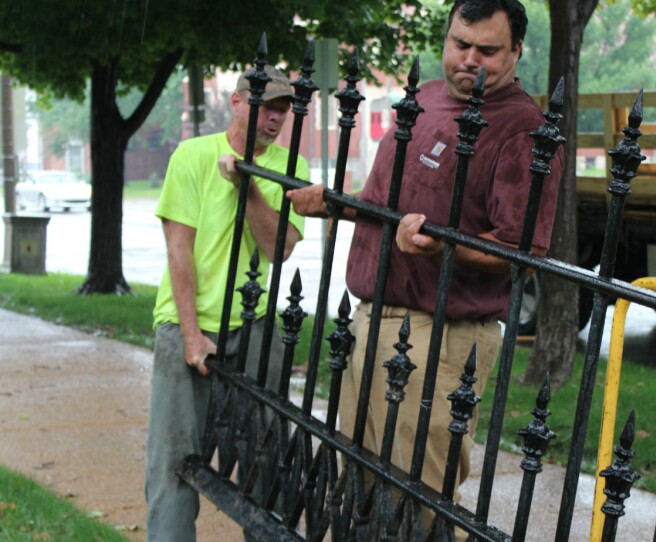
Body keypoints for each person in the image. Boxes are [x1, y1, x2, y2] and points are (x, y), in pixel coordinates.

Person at [288, 0, 564, 518]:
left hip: (441, 338)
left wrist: (445, 243)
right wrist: (334, 203)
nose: (469, 60)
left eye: (488, 50)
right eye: (460, 44)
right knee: (357, 490)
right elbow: (384, 207)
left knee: (416, 503)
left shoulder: (523, 128)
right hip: (369, 320)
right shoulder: (426, 98)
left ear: (516, 51)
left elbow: (527, 250)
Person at [145, 65, 308, 542]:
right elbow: (179, 248)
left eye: (283, 109)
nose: (275, 118)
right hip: (186, 326)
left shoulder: (289, 166)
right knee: (175, 462)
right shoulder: (192, 155)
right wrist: (192, 334)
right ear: (236, 102)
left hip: (255, 326)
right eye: (266, 106)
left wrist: (248, 185)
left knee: (267, 461)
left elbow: (278, 248)